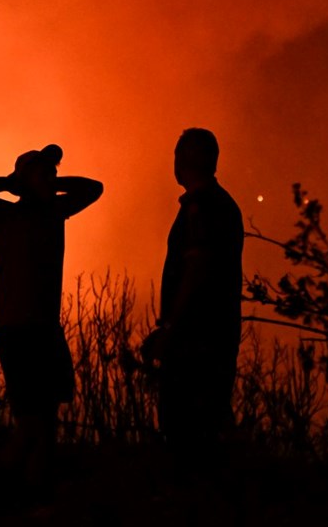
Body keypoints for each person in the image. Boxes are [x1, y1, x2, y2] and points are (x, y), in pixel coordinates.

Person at [0, 144, 102, 485]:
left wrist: (48, 180)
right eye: (46, 172)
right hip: (17, 329)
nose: (52, 178)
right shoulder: (3, 214)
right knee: (31, 421)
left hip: (46, 328)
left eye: (53, 174)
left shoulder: (55, 210)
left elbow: (93, 188)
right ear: (24, 179)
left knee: (47, 417)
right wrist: (14, 182)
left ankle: (34, 488)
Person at [142, 128, 244, 467]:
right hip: (213, 334)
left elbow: (197, 269)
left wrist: (171, 328)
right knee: (209, 426)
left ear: (183, 160)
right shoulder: (221, 205)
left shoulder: (203, 206)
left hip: (196, 338)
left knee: (187, 433)